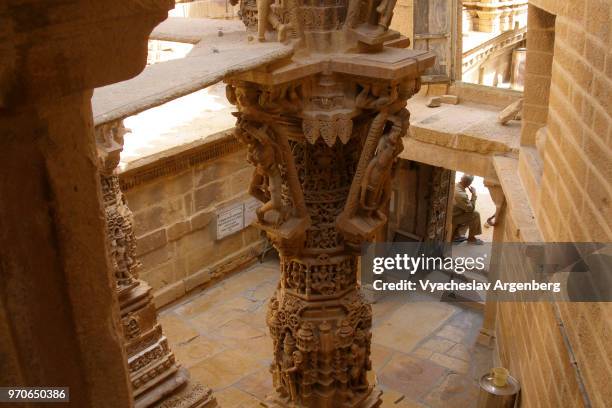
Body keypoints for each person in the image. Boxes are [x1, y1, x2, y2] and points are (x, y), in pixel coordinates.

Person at [452, 174, 484, 245]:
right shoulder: (461, 194)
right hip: (452, 218)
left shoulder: (454, 185)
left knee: (466, 212)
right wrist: (474, 194)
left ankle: (457, 235)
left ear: (460, 178)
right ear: (470, 184)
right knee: (475, 215)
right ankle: (471, 239)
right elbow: (471, 209)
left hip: (452, 213)